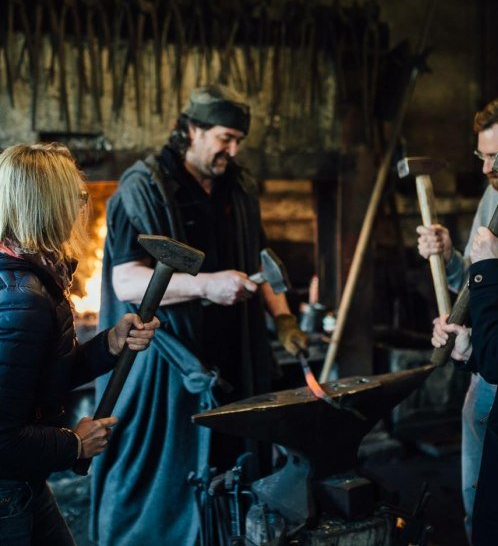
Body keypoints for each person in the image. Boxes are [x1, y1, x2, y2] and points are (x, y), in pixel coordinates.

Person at [90, 85, 308, 545]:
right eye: (225, 138)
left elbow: (260, 259)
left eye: (238, 141)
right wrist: (206, 284)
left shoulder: (239, 186)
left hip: (235, 353)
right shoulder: (143, 187)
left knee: (235, 466)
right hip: (170, 362)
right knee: (162, 475)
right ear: (191, 129)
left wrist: (283, 317)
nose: (232, 150)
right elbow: (126, 281)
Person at [0, 143, 159, 546]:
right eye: (75, 194)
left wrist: (109, 344)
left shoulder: (26, 274)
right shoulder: (23, 299)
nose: (80, 204)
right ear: (47, 203)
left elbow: (37, 380)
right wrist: (74, 443)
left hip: (22, 483)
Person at [416, 92, 498, 540]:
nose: (487, 168)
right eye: (482, 155)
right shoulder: (493, 198)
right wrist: (452, 258)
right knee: (481, 500)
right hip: (485, 368)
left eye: (496, 156)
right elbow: (474, 283)